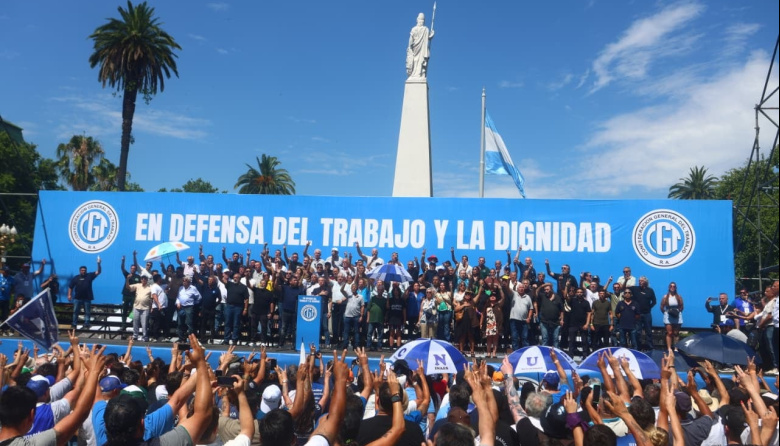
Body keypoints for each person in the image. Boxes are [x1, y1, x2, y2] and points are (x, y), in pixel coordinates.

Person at [68, 257, 101, 328]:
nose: (83, 271)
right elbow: (70, 287)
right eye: (82, 270)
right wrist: (69, 295)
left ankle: (86, 323)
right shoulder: (76, 278)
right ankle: (74, 323)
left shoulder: (89, 276)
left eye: (84, 270)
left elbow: (99, 272)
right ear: (80, 271)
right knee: (76, 312)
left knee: (87, 312)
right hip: (77, 298)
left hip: (87, 297)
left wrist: (98, 263)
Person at [125, 273, 155, 341]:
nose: (144, 280)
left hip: (145, 308)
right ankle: (135, 335)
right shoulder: (138, 285)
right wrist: (127, 279)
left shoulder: (150, 288)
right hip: (136, 307)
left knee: (144, 323)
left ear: (147, 280)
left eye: (145, 279)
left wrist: (152, 307)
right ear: (141, 280)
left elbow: (152, 298)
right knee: (135, 322)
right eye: (142, 279)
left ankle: (145, 336)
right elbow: (128, 287)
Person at [629, 276, 656, 351]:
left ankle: (650, 347)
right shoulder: (635, 289)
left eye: (641, 281)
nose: (640, 282)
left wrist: (649, 307)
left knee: (649, 331)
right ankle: (638, 347)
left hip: (647, 314)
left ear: (645, 282)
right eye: (639, 281)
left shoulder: (650, 290)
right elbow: (625, 289)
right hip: (637, 314)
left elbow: (654, 301)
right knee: (638, 332)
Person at [406, 12, 434, 79]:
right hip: (416, 48)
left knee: (419, 61)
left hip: (420, 48)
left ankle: (419, 74)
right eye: (421, 20)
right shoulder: (423, 29)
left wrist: (431, 35)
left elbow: (411, 39)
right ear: (417, 20)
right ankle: (416, 74)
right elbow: (411, 39)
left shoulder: (424, 29)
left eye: (422, 20)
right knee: (417, 61)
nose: (421, 21)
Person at [660, 282, 684, 352]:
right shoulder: (665, 297)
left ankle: (676, 348)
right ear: (669, 287)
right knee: (669, 333)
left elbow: (682, 306)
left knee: (676, 333)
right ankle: (669, 348)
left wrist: (677, 312)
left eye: (674, 286)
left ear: (676, 288)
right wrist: (665, 313)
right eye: (671, 286)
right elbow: (661, 307)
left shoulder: (679, 297)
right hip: (668, 315)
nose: (672, 287)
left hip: (676, 315)